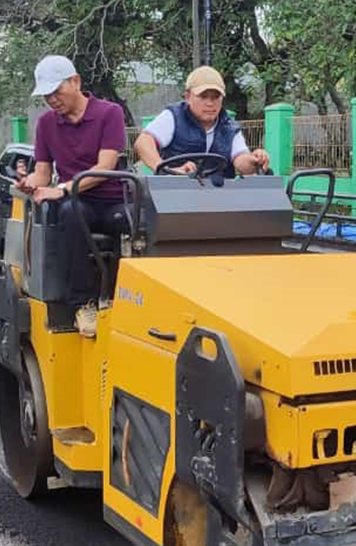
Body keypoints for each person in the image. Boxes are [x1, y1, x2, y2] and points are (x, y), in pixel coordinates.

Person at [17, 55, 128, 337]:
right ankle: (84, 303)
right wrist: (30, 183)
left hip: (112, 197)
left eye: (57, 91)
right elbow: (43, 173)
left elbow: (105, 167)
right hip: (77, 203)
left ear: (75, 81)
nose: (52, 99)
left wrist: (63, 188)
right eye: (46, 95)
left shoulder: (109, 113)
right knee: (68, 213)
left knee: (134, 220)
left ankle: (127, 297)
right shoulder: (45, 124)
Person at [133, 66, 271, 177]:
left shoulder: (229, 127)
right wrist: (166, 169)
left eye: (215, 97)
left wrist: (254, 160)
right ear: (187, 96)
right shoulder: (172, 116)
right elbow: (143, 142)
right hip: (174, 195)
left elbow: (241, 161)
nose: (210, 103)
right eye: (203, 97)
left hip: (220, 199)